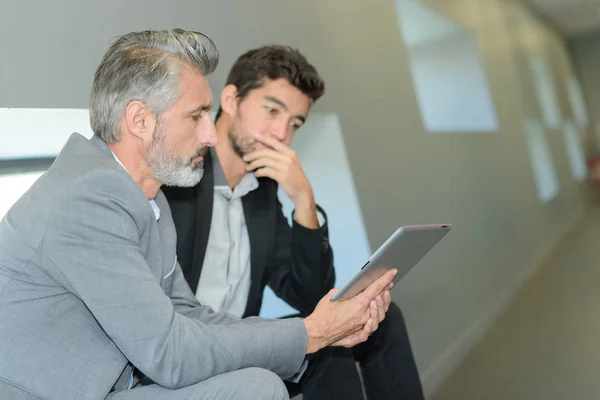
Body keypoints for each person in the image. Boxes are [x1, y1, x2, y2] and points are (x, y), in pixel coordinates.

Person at [0, 29, 396, 400]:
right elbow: (169, 351)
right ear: (140, 120)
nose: (210, 135)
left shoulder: (148, 194)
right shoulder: (91, 196)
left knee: (259, 383)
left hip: (111, 386)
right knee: (256, 389)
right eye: (196, 116)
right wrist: (312, 332)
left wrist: (316, 332)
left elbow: (186, 312)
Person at [162, 45, 425, 399]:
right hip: (194, 347)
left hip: (246, 342)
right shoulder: (180, 176)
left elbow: (309, 295)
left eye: (294, 123)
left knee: (379, 322)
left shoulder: (262, 191)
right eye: (272, 110)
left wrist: (304, 201)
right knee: (327, 348)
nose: (282, 134)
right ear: (231, 99)